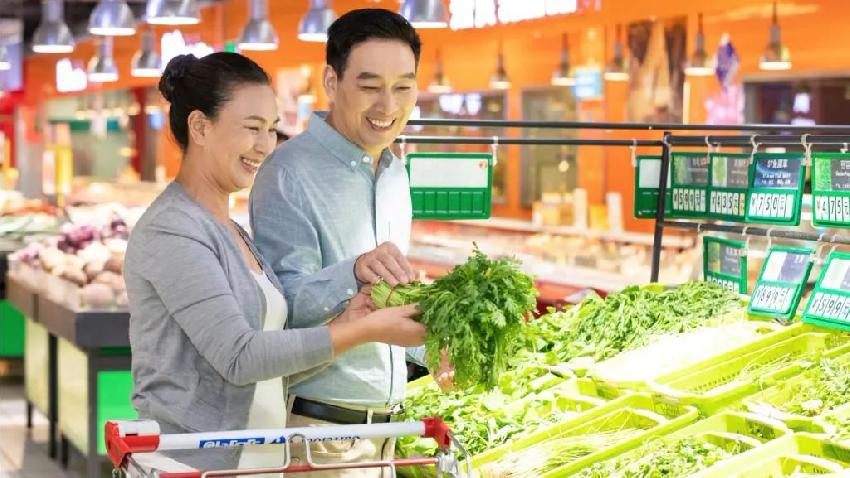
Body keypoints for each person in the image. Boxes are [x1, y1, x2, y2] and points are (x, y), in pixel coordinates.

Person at [124, 52, 426, 473]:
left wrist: (342, 323)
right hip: (193, 464)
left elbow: (270, 365)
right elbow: (240, 357)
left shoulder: (230, 229)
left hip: (251, 463)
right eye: (251, 128)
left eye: (270, 129)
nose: (265, 145)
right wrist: (366, 330)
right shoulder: (173, 229)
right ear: (200, 127)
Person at [250, 9, 450, 477]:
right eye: (369, 85)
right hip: (322, 436)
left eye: (403, 86)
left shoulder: (395, 172)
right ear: (331, 81)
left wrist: (434, 345)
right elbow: (280, 311)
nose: (388, 104)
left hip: (387, 436)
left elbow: (384, 309)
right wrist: (353, 269)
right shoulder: (289, 172)